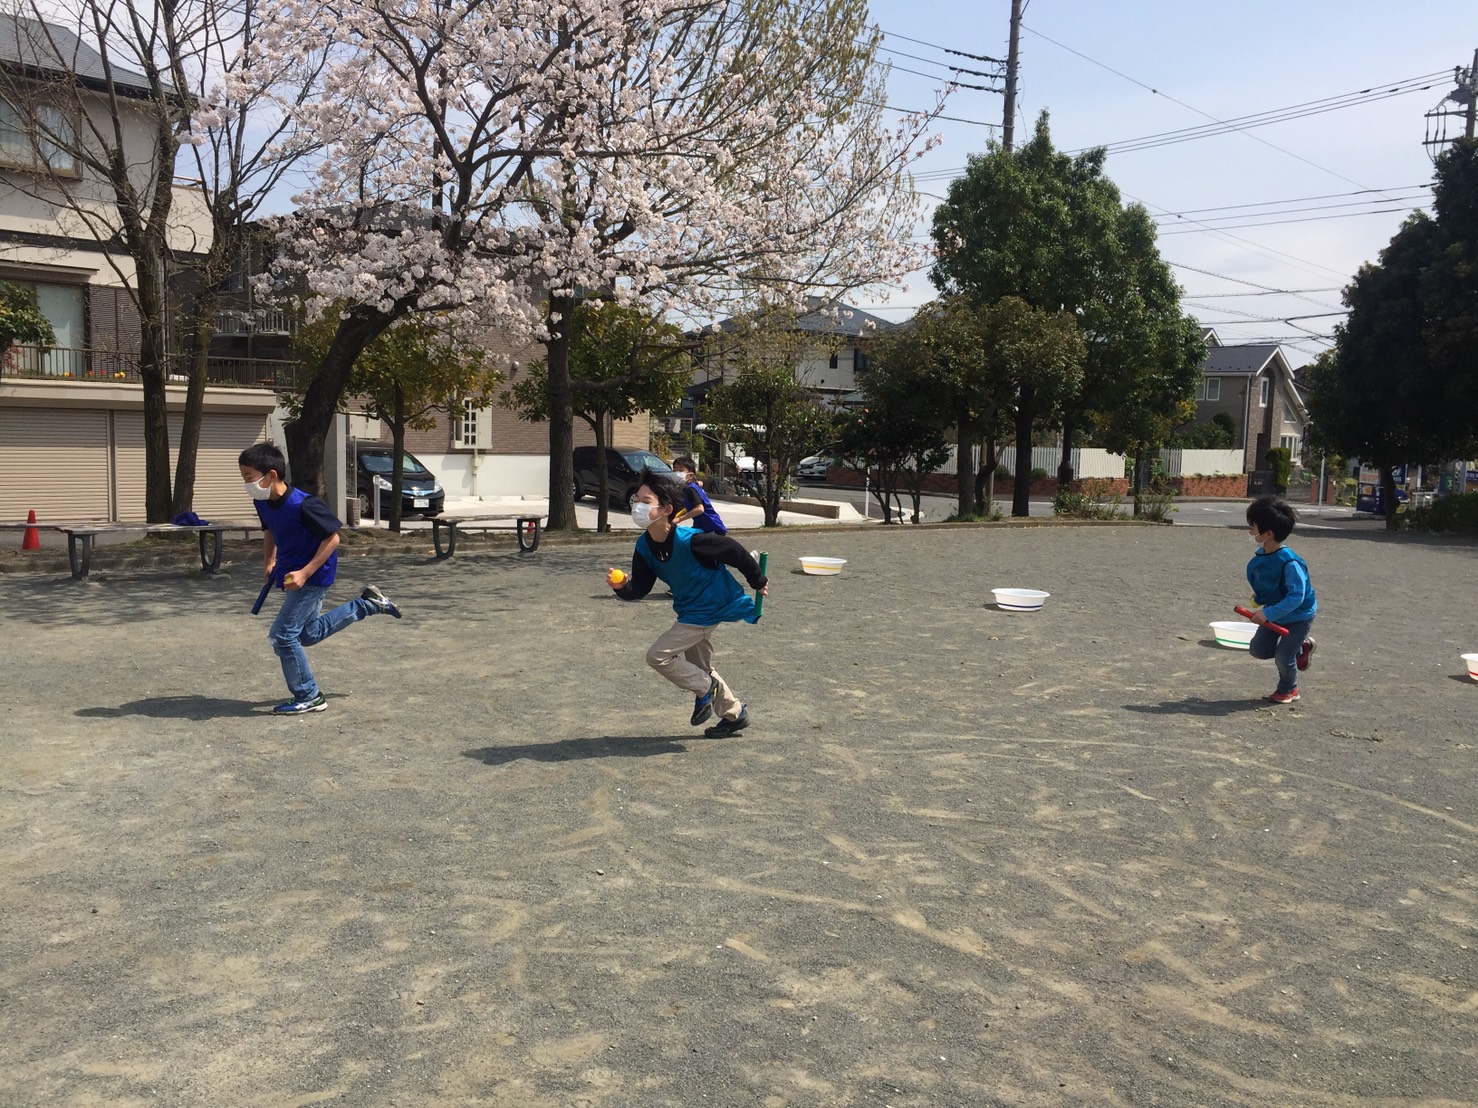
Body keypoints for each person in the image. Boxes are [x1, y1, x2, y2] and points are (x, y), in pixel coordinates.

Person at [238, 443, 403, 715]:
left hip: (314, 575)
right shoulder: (262, 501)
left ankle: (309, 695)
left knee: (282, 637)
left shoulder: (305, 504)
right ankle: (367, 604)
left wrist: (305, 572)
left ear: (271, 475)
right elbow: (270, 530)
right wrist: (269, 561)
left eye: (249, 476)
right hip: (291, 573)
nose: (246, 483)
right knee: (308, 634)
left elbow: (333, 539)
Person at [608, 468, 766, 736]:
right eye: (636, 500)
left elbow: (733, 551)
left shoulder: (691, 541)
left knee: (658, 656)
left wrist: (757, 580)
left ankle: (706, 688)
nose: (637, 506)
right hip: (689, 609)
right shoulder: (644, 546)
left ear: (666, 509)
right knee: (701, 668)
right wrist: (623, 587)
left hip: (709, 608)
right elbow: (641, 588)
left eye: (646, 501)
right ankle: (734, 715)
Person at [1244, 495, 1317, 704]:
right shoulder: (1263, 556)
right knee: (1258, 650)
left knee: (1284, 658)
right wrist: (1261, 599)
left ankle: (1288, 689)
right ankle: (1301, 648)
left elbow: (1296, 596)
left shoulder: (1290, 563)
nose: (1250, 531)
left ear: (1268, 534)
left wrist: (1267, 613)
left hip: (1299, 616)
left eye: (1253, 527)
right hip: (1275, 613)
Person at [669, 455, 727, 534]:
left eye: (680, 470)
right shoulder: (688, 487)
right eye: (674, 470)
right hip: (701, 526)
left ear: (690, 475)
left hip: (712, 528)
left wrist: (679, 519)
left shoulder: (691, 489)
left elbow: (699, 509)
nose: (676, 473)